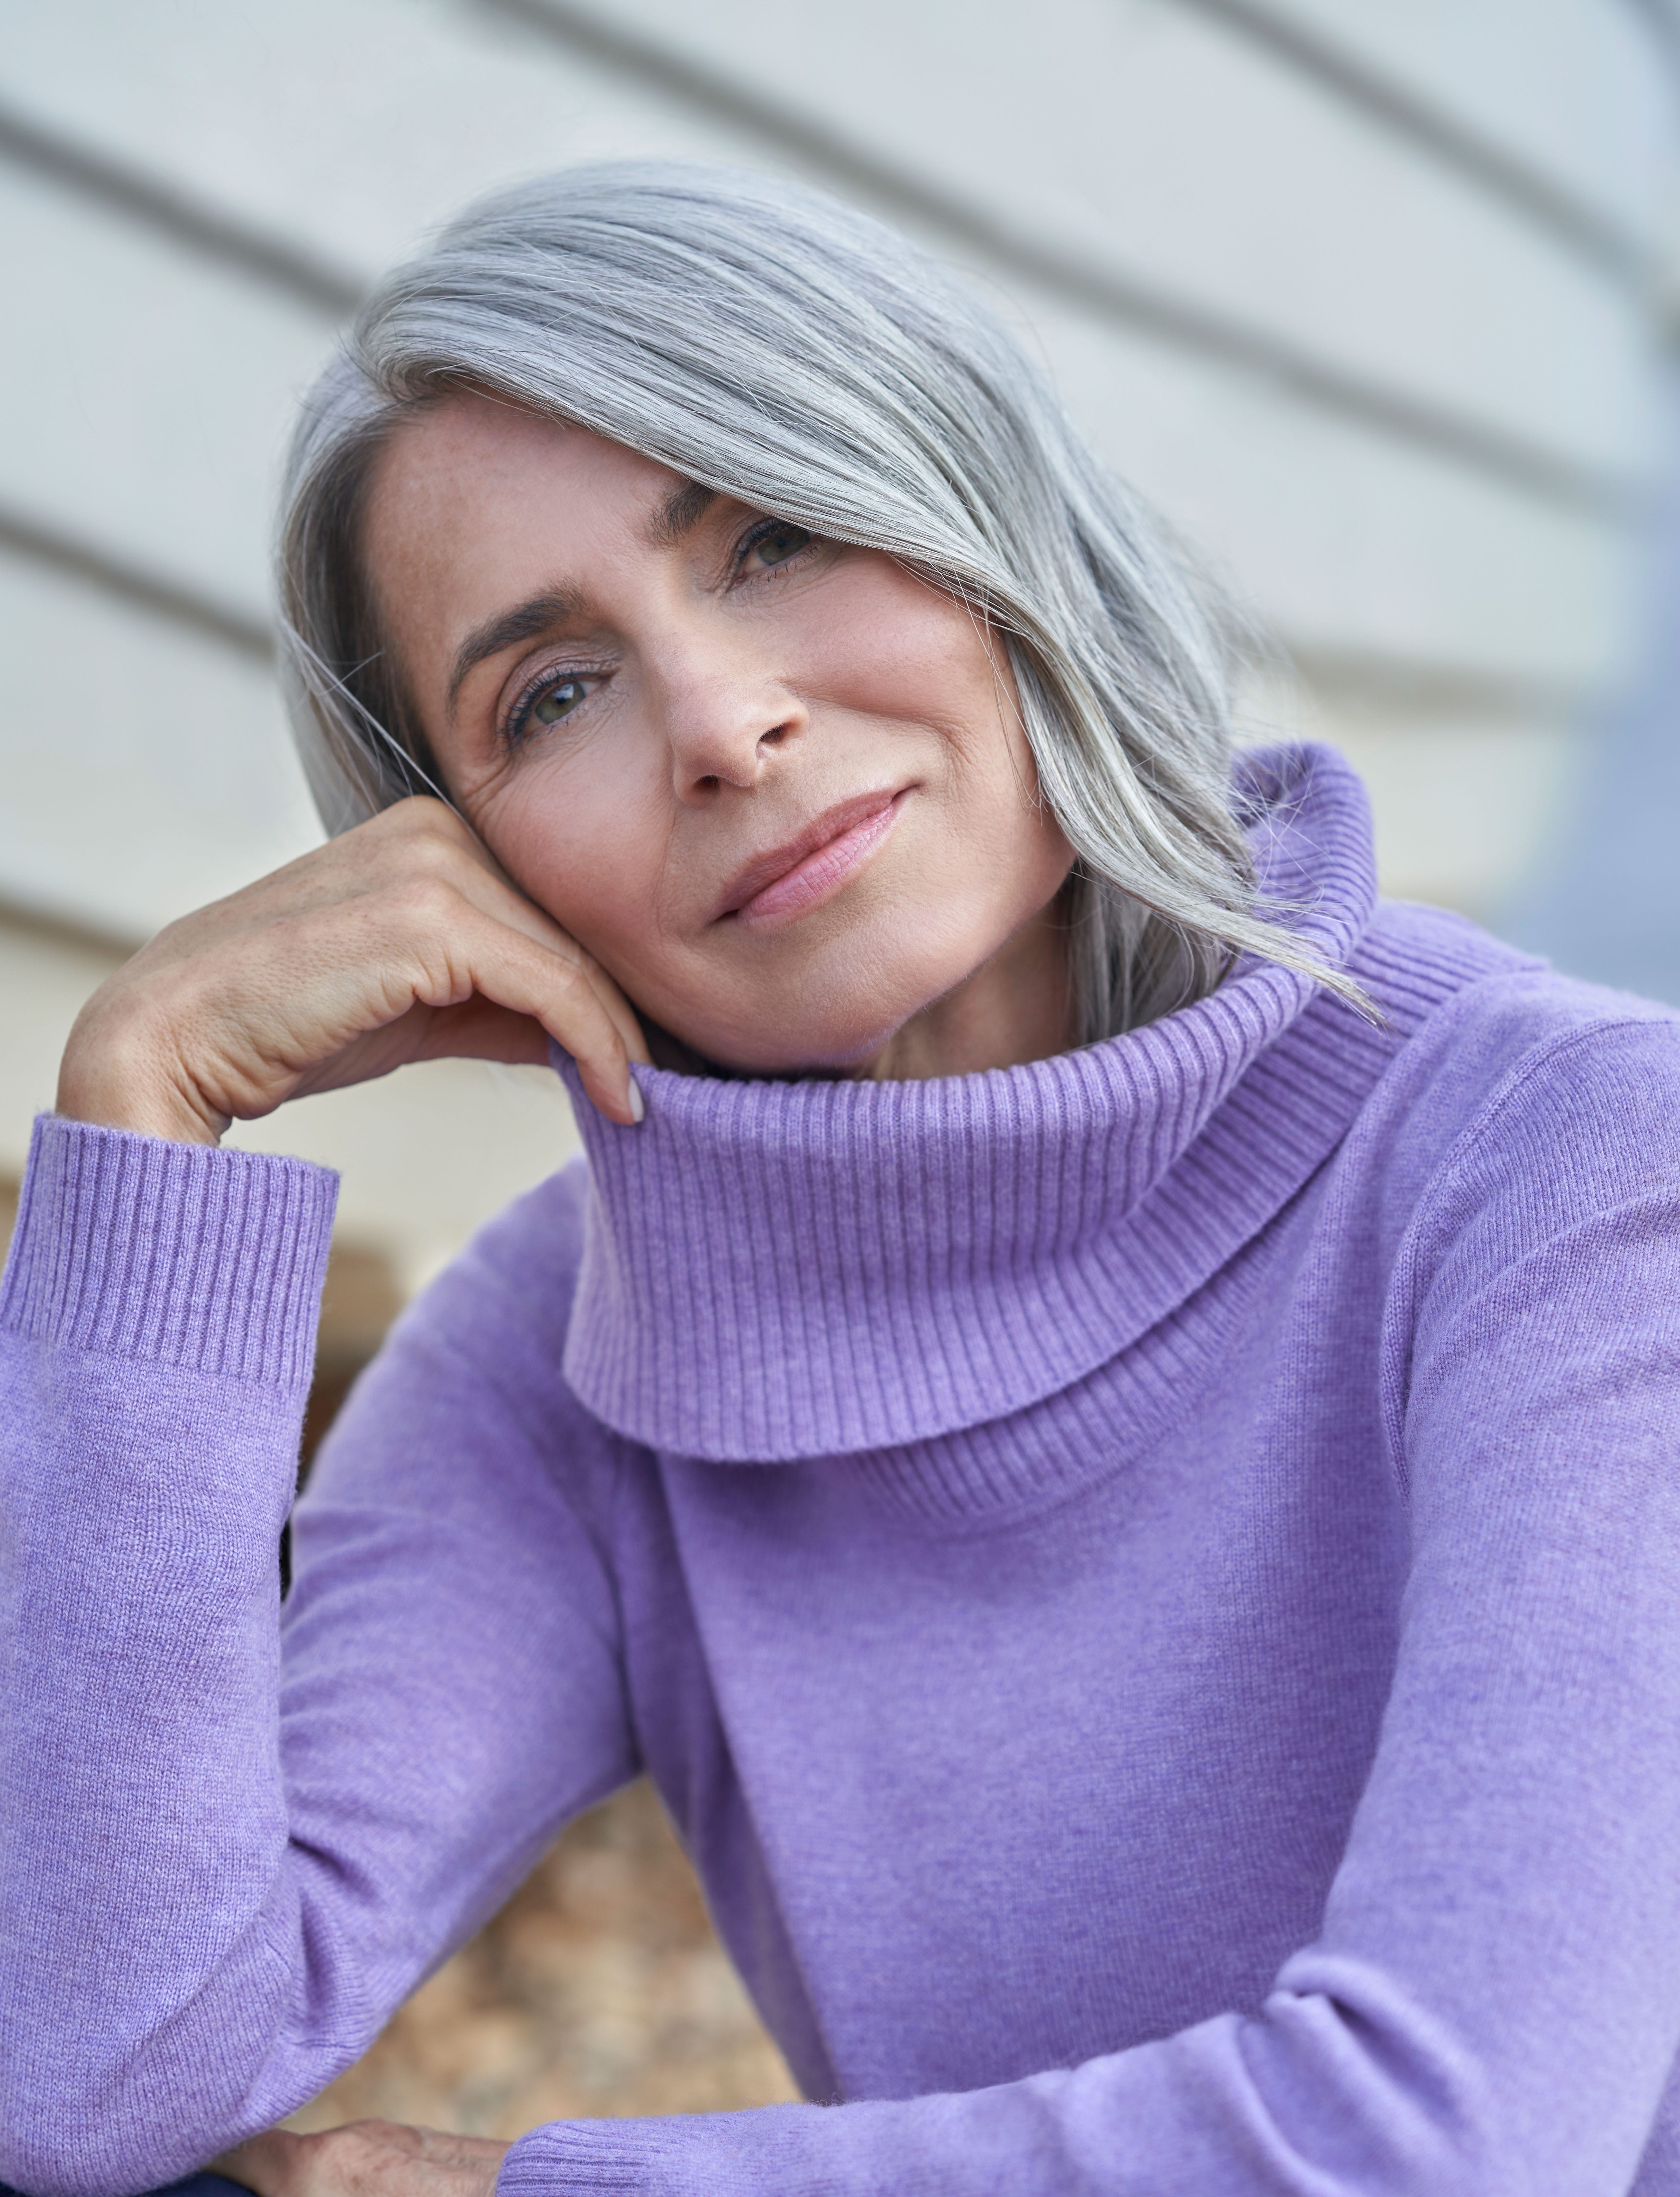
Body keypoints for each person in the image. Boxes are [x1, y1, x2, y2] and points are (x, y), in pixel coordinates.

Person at [2, 161, 1679, 2197]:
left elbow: (1458, 2152)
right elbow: (84, 2072)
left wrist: (553, 2191)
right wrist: (143, 1115)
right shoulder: (571, 1363)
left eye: (775, 534)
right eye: (554, 693)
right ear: (469, 863)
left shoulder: (1566, 1156)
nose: (723, 722)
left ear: (988, 529)